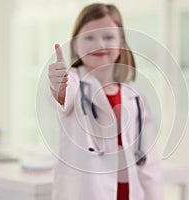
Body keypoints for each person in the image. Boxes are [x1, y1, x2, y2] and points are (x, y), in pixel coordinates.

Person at [48, 3, 164, 200]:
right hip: (87, 192)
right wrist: (58, 85)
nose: (100, 45)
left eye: (108, 37)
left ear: (121, 43)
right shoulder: (74, 83)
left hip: (128, 192)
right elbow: (64, 97)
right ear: (76, 45)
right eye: (89, 37)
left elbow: (149, 163)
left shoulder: (135, 98)